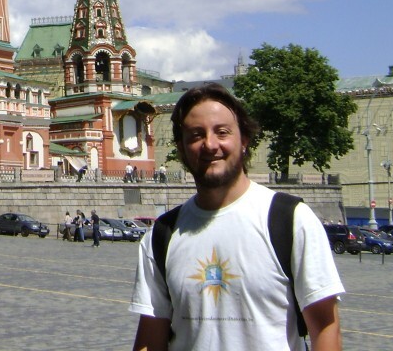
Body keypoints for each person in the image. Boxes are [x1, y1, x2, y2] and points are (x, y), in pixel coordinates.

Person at [130, 83, 343, 351]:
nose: (210, 144)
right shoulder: (162, 235)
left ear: (244, 140)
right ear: (182, 149)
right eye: (196, 135)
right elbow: (150, 339)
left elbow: (325, 328)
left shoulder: (290, 220)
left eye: (222, 132)